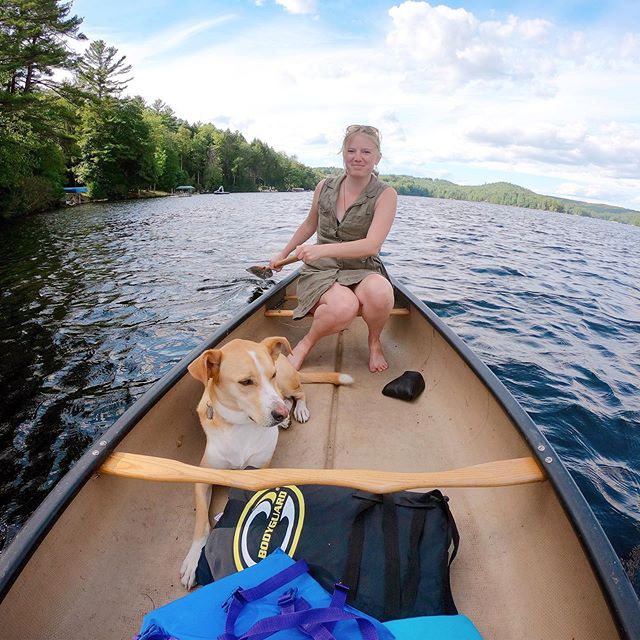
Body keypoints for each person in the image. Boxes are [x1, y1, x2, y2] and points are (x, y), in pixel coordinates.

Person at [269, 124, 398, 373]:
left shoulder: (386, 194)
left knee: (382, 293)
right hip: (322, 270)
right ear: (343, 154)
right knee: (344, 306)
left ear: (377, 158)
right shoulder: (324, 187)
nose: (357, 157)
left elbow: (372, 245)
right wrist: (283, 254)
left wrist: (321, 250)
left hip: (362, 267)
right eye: (351, 150)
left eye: (366, 152)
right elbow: (309, 225)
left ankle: (374, 342)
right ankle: (305, 345)